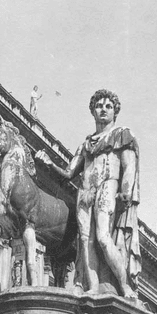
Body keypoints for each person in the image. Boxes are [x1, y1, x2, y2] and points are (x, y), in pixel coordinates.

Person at [36, 88, 140, 298]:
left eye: (108, 107)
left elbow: (129, 165)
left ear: (115, 112)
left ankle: (125, 285)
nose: (103, 110)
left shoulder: (122, 135)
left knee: (102, 237)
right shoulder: (86, 144)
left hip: (108, 186)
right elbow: (68, 173)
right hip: (85, 192)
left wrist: (126, 192)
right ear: (93, 111)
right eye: (99, 106)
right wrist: (48, 163)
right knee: (85, 241)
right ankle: (92, 287)